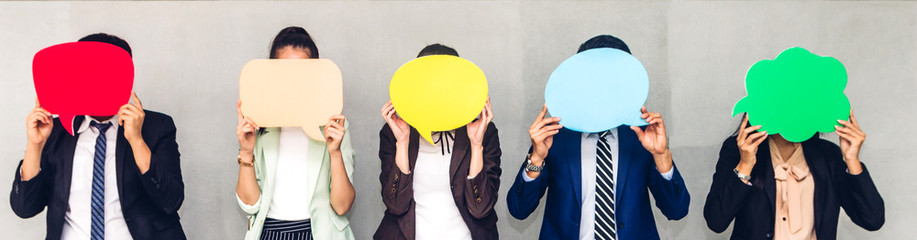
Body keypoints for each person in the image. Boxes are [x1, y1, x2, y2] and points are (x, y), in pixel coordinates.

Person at [506, 35, 690, 240]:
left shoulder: (644, 137)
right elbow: (518, 209)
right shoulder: (555, 136)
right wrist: (537, 159)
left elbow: (676, 210)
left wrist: (661, 155)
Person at [10, 33, 186, 240]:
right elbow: (25, 208)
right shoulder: (55, 130)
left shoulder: (156, 127)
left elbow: (171, 201)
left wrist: (137, 140)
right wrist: (35, 145)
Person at [235, 26, 356, 240]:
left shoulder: (331, 126)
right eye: (285, 73)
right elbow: (250, 205)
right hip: (270, 233)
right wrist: (246, 152)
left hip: (320, 234)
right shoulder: (261, 126)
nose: (293, 81)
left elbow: (342, 205)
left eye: (302, 73)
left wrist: (335, 152)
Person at [374, 44, 502, 240]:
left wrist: (476, 145)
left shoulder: (484, 131)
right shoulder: (395, 131)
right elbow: (395, 205)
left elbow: (480, 208)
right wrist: (402, 142)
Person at [703, 113, 884, 239]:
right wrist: (745, 164)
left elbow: (872, 219)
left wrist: (852, 161)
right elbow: (716, 221)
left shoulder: (828, 155)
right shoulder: (737, 150)